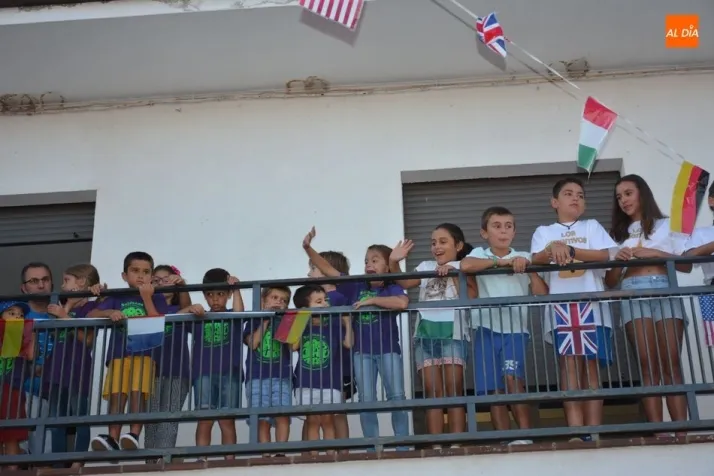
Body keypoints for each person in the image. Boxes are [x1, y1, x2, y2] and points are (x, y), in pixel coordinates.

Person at [303, 229, 409, 449]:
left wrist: (372, 302)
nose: (369, 264)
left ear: (387, 267)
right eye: (366, 261)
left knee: (396, 396)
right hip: (362, 353)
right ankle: (372, 445)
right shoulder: (356, 285)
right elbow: (328, 269)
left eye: (375, 260)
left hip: (388, 350)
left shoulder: (392, 286)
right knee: (366, 400)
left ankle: (402, 444)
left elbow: (401, 303)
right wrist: (308, 248)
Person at [530, 177, 617, 441]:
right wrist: (553, 249)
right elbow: (536, 259)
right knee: (569, 368)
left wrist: (570, 249)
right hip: (562, 309)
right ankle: (576, 432)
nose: (575, 198)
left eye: (580, 194)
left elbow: (605, 255)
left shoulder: (592, 226)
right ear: (554, 202)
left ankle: (594, 431)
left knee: (591, 368)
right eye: (568, 194)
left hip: (592, 306)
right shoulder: (544, 231)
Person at [605, 174, 689, 429]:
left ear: (642, 193)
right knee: (647, 364)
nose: (623, 200)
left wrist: (654, 253)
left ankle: (681, 430)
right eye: (619, 197)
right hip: (632, 291)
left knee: (671, 361)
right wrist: (618, 261)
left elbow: (686, 265)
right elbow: (611, 281)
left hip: (664, 289)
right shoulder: (616, 235)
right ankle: (659, 430)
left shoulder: (667, 224)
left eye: (628, 193)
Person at [461, 207, 548, 445]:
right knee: (493, 389)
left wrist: (529, 269)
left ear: (514, 232)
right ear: (484, 232)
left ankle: (525, 437)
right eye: (496, 226)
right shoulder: (479, 254)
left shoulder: (523, 255)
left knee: (512, 379)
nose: (503, 231)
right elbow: (465, 265)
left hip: (515, 331)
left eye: (508, 226)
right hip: (484, 329)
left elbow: (542, 293)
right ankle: (504, 439)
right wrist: (502, 262)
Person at [388, 223, 476, 446]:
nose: (437, 246)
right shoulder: (426, 266)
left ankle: (456, 443)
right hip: (425, 336)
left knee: (454, 390)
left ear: (458, 245)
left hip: (454, 335)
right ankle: (436, 444)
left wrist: (454, 272)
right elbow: (404, 282)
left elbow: (472, 296)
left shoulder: (464, 266)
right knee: (432, 392)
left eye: (443, 242)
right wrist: (393, 261)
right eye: (433, 242)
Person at [88, 251, 174, 452]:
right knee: (117, 395)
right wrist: (109, 312)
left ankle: (134, 434)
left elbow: (157, 321)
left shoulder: (157, 297)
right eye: (135, 271)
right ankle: (113, 437)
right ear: (124, 276)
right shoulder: (117, 296)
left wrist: (146, 298)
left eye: (146, 272)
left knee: (138, 393)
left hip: (145, 355)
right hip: (119, 354)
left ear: (151, 276)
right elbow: (92, 314)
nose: (141, 276)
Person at [44, 264, 103, 468]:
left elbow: (86, 340)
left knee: (80, 418)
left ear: (81, 282)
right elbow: (55, 334)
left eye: (66, 280)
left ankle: (78, 462)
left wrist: (64, 316)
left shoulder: (90, 308)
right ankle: (58, 464)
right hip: (56, 369)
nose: (62, 285)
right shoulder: (62, 306)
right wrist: (67, 306)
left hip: (78, 369)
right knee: (56, 420)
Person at [302, 235, 354, 446]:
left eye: (313, 268)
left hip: (338, 364)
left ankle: (341, 452)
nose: (308, 273)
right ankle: (308, 453)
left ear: (326, 270)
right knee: (312, 414)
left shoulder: (340, 297)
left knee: (337, 411)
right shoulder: (311, 300)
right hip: (317, 365)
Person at [292, 285, 353, 454]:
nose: (325, 304)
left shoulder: (333, 323)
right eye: (318, 301)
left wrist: (347, 323)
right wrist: (302, 318)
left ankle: (330, 457)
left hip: (330, 382)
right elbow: (293, 346)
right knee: (312, 421)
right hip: (306, 382)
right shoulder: (301, 325)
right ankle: (314, 458)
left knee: (328, 421)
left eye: (325, 300)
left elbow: (348, 343)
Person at [192, 268, 244, 461]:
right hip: (203, 373)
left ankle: (230, 462)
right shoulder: (199, 317)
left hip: (230, 373)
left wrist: (236, 289)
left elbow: (240, 312)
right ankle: (201, 459)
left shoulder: (232, 315)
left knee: (227, 420)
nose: (215, 299)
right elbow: (179, 316)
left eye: (221, 294)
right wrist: (190, 309)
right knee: (204, 419)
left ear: (229, 295)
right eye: (210, 295)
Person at [144, 265, 195, 462]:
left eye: (166, 280)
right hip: (151, 370)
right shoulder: (148, 305)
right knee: (151, 417)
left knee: (169, 417)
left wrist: (183, 286)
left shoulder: (180, 308)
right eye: (156, 280)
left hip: (178, 371)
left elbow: (189, 311)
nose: (161, 283)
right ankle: (150, 461)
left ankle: (163, 460)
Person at [243, 286, 293, 450]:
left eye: (284, 300)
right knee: (261, 418)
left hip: (281, 376)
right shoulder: (254, 320)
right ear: (263, 301)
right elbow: (253, 343)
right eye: (274, 298)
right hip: (256, 376)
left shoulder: (285, 321)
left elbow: (292, 345)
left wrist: (281, 320)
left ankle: (280, 452)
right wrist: (265, 320)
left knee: (282, 415)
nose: (279, 302)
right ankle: (266, 453)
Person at [19, 262, 54, 455]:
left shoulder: (62, 314)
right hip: (23, 392)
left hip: (56, 395)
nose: (41, 285)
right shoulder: (15, 315)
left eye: (45, 280)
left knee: (46, 455)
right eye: (34, 281)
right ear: (24, 288)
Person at [0, 300, 36, 469]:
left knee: (11, 433)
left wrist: (32, 335)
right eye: (11, 313)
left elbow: (31, 356)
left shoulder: (21, 337)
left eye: (21, 315)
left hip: (13, 389)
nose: (17, 317)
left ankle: (12, 470)